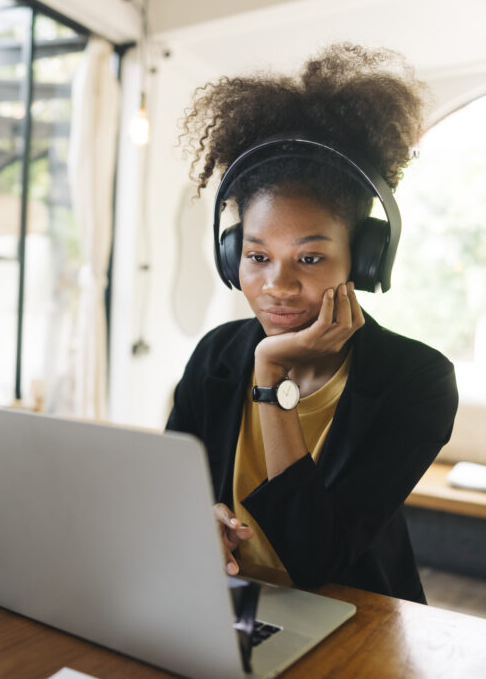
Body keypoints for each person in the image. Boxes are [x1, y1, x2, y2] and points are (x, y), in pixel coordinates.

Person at [165, 43, 458, 604]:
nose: (276, 284)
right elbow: (170, 490)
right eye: (256, 257)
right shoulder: (216, 353)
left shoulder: (418, 381)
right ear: (232, 257)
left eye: (309, 258)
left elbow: (311, 558)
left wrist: (272, 375)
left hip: (353, 618)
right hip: (223, 604)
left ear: (365, 261)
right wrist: (198, 518)